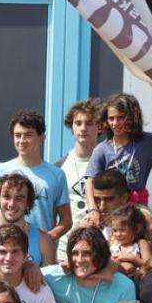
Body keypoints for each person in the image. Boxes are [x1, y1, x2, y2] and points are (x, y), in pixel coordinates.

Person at [0, 110, 72, 246]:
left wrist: (47, 238)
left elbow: (66, 220)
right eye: (17, 135)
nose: (22, 141)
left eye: (28, 135)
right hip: (4, 248)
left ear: (42, 138)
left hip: (39, 252)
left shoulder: (56, 174)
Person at [84, 93, 152, 207]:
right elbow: (90, 182)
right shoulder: (101, 150)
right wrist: (93, 209)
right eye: (111, 118)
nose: (115, 123)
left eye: (120, 118)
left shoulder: (148, 143)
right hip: (109, 208)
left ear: (132, 118)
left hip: (137, 209)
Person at [56, 98, 100, 259]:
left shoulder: (108, 164)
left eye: (89, 123)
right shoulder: (58, 167)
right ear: (71, 126)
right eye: (78, 123)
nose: (83, 128)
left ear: (99, 126)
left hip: (99, 248)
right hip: (65, 249)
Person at [107, 205, 152, 277]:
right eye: (115, 230)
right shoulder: (113, 243)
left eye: (122, 230)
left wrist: (131, 258)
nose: (118, 234)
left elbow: (150, 264)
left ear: (136, 229)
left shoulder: (141, 243)